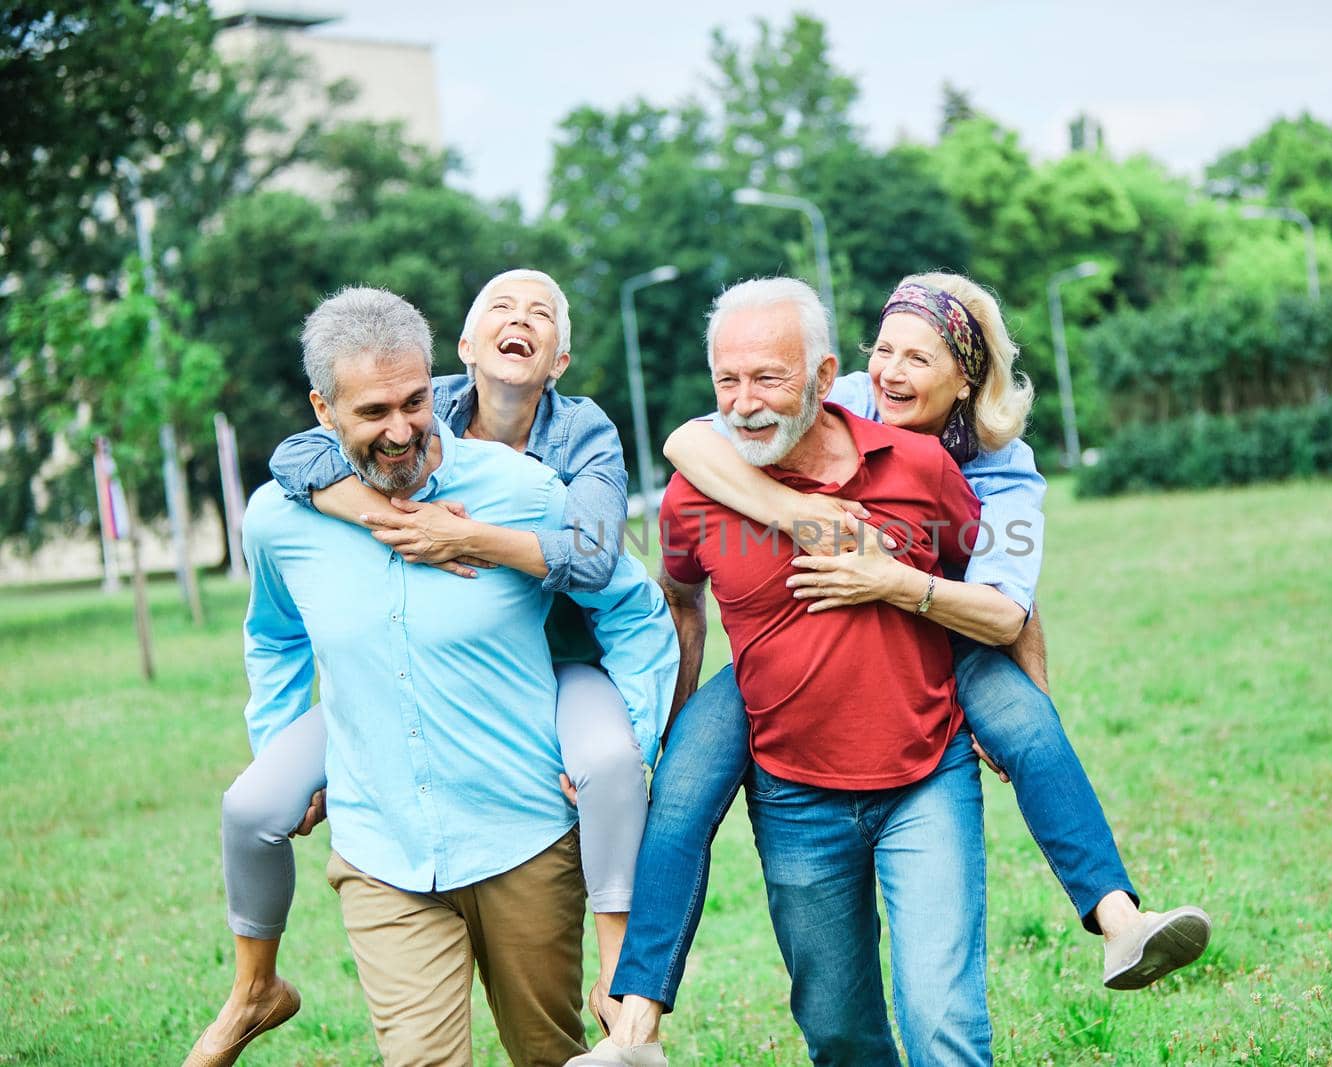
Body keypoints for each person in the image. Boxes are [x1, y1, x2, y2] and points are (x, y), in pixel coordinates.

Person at [594, 273, 1211, 1061]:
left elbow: (1008, 606)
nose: (890, 372)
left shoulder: (991, 471)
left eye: (918, 358)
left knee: (1024, 722)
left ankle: (1121, 921)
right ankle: (636, 1019)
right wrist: (794, 513)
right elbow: (689, 446)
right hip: (783, 697)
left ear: (966, 380)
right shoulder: (825, 398)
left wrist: (1006, 680)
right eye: (883, 349)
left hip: (942, 626)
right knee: (682, 779)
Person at [184, 286, 677, 1066]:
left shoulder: (525, 487)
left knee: (549, 1053)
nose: (402, 428)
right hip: (383, 850)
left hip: (525, 835)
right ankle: (253, 987)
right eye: (372, 411)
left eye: (414, 402)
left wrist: (635, 733)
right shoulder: (283, 519)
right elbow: (274, 639)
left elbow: (633, 608)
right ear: (323, 409)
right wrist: (283, 749)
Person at [574, 277, 992, 1067]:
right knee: (838, 1032)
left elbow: (986, 588)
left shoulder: (921, 465)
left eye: (768, 377)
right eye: (727, 380)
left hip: (925, 775)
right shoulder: (695, 495)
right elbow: (681, 602)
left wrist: (1013, 710)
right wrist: (668, 726)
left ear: (827, 376)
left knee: (944, 1023)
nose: (743, 401)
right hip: (795, 794)